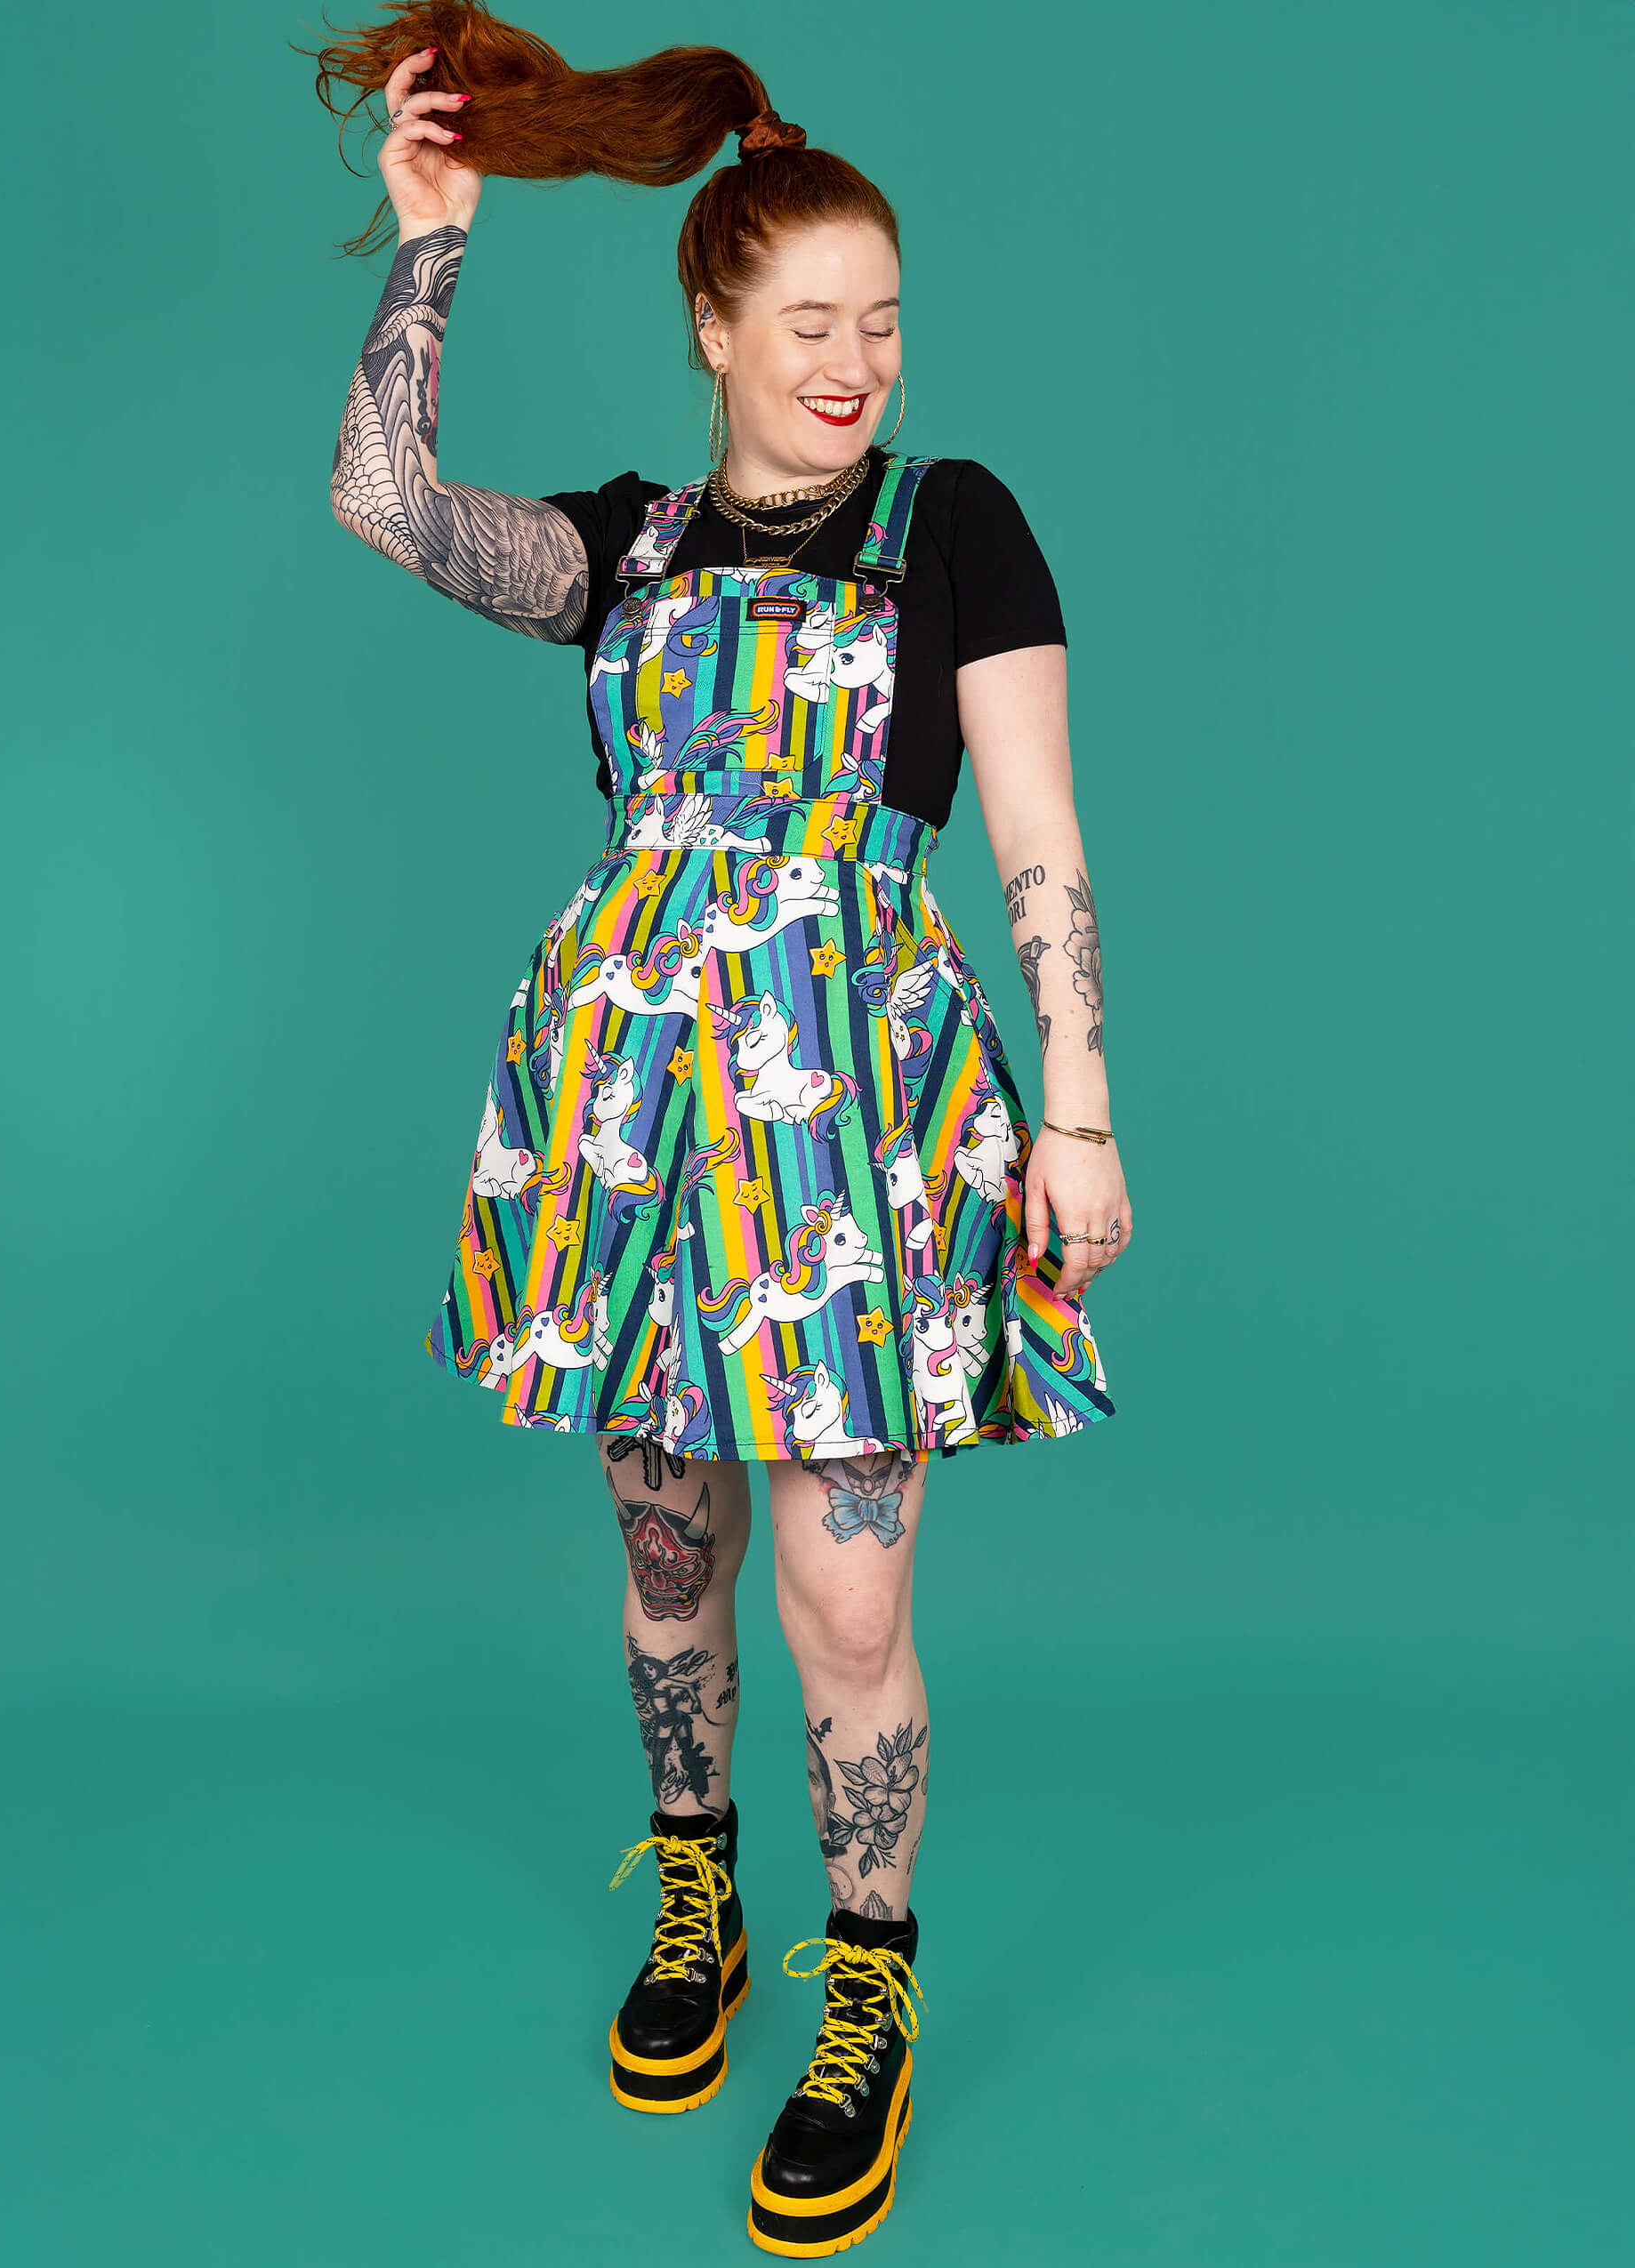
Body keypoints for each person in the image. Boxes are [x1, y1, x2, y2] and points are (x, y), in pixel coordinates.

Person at [313, 4, 1132, 2250]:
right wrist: (431, 242)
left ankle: (868, 1980)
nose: (856, 364)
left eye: (884, 322)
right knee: (669, 1556)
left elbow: (1037, 832)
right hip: (632, 1122)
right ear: (714, 327)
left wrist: (1076, 1110)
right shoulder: (632, 545)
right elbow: (386, 505)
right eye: (810, 324)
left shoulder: (956, 528)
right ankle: (700, 1896)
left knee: (845, 1600)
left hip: (863, 1121)